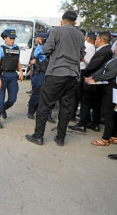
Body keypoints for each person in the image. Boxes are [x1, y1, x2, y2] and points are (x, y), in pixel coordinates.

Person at [25, 11, 85, 146]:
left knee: (44, 105)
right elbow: (81, 55)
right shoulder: (80, 35)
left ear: (61, 21)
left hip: (56, 74)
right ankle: (60, 138)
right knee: (65, 107)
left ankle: (38, 136)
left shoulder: (56, 31)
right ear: (75, 23)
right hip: (73, 76)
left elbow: (47, 49)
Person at [68, 31, 113, 132]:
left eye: (96, 39)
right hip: (96, 80)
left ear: (101, 40)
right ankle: (94, 123)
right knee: (95, 103)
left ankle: (82, 124)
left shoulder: (104, 51)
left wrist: (84, 73)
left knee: (86, 101)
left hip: (93, 79)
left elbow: (93, 66)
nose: (95, 40)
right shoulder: (105, 50)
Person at [84, 39, 117, 146]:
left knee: (109, 113)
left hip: (113, 89)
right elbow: (104, 69)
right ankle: (114, 136)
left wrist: (95, 79)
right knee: (114, 113)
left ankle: (105, 139)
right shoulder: (114, 59)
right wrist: (93, 77)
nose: (115, 47)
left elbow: (111, 74)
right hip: (112, 88)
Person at [0, 29, 24, 129]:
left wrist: (21, 71)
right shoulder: (1, 49)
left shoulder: (17, 48)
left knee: (12, 99)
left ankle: (3, 109)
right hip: (3, 76)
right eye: (10, 38)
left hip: (13, 77)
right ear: (5, 38)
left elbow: (17, 61)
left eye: (14, 39)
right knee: (0, 100)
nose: (12, 40)